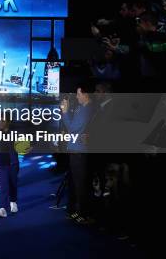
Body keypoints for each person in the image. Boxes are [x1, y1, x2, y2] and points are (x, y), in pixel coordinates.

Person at [61, 82, 97, 225]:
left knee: (80, 184)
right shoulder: (82, 108)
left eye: (78, 93)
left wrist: (65, 113)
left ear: (85, 94)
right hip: (76, 150)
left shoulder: (87, 109)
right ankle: (77, 212)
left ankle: (82, 214)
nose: (76, 96)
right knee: (76, 183)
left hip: (79, 152)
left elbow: (72, 128)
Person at [0, 114, 20, 217]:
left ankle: (13, 202)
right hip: (1, 164)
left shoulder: (15, 134)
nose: (1, 123)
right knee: (4, 185)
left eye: (3, 121)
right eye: (0, 121)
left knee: (13, 184)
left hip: (13, 163)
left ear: (8, 122)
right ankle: (2, 207)